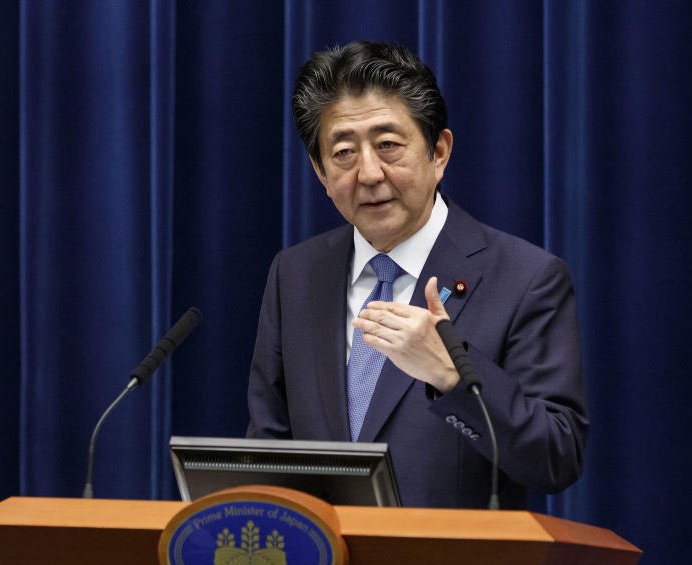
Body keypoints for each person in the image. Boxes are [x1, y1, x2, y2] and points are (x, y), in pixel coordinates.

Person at [247, 40, 589, 514]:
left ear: (439, 152)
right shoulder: (296, 275)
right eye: (344, 152)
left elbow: (557, 458)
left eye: (388, 145)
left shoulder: (525, 278)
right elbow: (271, 446)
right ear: (320, 172)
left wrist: (452, 376)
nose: (369, 172)